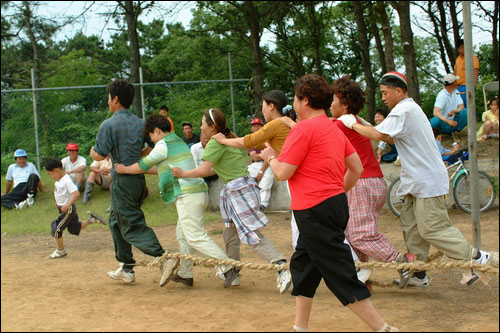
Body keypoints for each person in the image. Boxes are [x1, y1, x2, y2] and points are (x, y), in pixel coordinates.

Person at [260, 74, 398, 332]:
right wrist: (336, 191)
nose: (294, 103)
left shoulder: (303, 129)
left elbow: (283, 172)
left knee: (339, 272)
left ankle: (384, 328)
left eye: (296, 98)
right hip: (333, 204)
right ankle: (300, 327)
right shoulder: (332, 127)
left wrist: (269, 157)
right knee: (303, 266)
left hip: (313, 210)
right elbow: (356, 168)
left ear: (305, 100)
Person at [338, 71, 498, 289]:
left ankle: (477, 257)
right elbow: (386, 136)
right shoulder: (404, 111)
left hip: (428, 181)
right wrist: (360, 122)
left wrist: (352, 124)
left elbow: (376, 135)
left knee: (432, 228)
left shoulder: (405, 109)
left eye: (385, 93)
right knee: (411, 227)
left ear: (399, 91)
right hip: (416, 181)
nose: (383, 97)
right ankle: (418, 273)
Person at [172, 108, 293, 294]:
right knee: (230, 234)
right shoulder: (228, 137)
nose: (200, 127)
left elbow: (205, 170)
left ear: (212, 127)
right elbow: (214, 169)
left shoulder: (215, 142)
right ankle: (233, 271)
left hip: (239, 190)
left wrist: (183, 174)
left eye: (203, 123)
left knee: (250, 234)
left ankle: (280, 266)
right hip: (238, 189)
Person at [114, 114, 238, 288]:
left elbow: (144, 164)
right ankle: (185, 274)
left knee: (194, 236)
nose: (151, 140)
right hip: (196, 193)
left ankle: (227, 266)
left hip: (188, 195)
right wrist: (133, 171)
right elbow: (161, 169)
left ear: (157, 131)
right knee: (183, 235)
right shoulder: (176, 142)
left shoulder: (163, 145)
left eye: (150, 135)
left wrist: (124, 169)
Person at [89, 79, 179, 286]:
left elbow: (100, 153)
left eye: (109, 98)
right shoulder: (141, 123)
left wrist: (93, 152)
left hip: (123, 181)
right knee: (115, 220)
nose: (108, 101)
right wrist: (138, 157)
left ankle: (163, 257)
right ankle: (127, 267)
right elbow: (151, 148)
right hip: (138, 180)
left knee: (131, 224)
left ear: (115, 99)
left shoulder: (108, 124)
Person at [330, 75, 413, 286]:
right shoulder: (355, 122)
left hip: (362, 184)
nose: (329, 104)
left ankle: (402, 261)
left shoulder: (341, 123)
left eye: (333, 100)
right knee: (350, 231)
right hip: (373, 182)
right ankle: (361, 275)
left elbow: (313, 131)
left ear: (345, 104)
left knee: (358, 233)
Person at [212, 90, 297, 243]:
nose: (262, 110)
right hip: (295, 176)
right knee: (298, 223)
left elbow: (247, 141)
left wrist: (223, 140)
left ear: (271, 106)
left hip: (297, 178)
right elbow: (254, 142)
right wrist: (232, 137)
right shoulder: (281, 124)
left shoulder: (275, 124)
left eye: (263, 106)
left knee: (300, 223)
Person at [44, 156, 106, 259]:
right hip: (64, 208)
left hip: (68, 210)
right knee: (74, 229)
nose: (50, 176)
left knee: (57, 228)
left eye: (50, 174)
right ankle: (92, 220)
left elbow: (76, 194)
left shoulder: (66, 180)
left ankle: (61, 251)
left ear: (56, 171)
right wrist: (57, 203)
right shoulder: (59, 180)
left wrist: (67, 205)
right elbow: (60, 193)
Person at [245, 117, 275, 211]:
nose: (256, 128)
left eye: (258, 126)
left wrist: (262, 171)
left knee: (267, 180)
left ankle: (262, 205)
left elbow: (269, 157)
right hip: (255, 164)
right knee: (244, 177)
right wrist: (264, 155)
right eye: (254, 126)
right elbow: (254, 157)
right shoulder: (250, 139)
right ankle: (248, 204)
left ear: (262, 127)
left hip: (269, 164)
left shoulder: (267, 139)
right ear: (251, 128)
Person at [454, 38, 479, 108]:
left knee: (468, 104)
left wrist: (474, 83)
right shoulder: (458, 59)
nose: (461, 50)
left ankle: (472, 118)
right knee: (459, 104)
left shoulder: (472, 57)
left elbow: (475, 69)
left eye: (462, 47)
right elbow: (455, 71)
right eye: (459, 48)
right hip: (458, 86)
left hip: (467, 85)